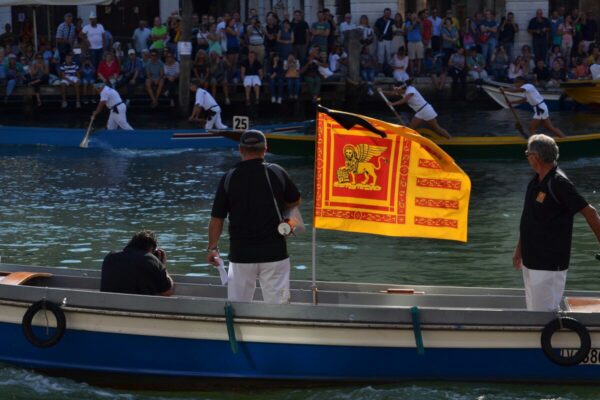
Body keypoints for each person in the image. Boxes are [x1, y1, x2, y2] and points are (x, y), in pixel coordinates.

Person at [206, 130, 301, 304]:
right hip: (275, 253)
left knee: (238, 308)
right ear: (265, 149)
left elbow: (217, 218)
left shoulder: (229, 177)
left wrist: (212, 248)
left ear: (240, 149)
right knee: (279, 309)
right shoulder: (277, 172)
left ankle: (240, 332)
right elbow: (295, 201)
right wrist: (288, 220)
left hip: (241, 255)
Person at [513, 134, 600, 311]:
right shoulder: (535, 182)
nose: (527, 157)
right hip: (531, 260)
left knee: (543, 315)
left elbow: (590, 212)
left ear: (535, 157)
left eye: (527, 153)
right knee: (534, 312)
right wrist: (519, 251)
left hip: (549, 263)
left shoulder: (559, 183)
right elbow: (529, 220)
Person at [101, 230, 174, 296]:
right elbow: (167, 292)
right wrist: (162, 265)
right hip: (140, 308)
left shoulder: (110, 257)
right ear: (151, 248)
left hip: (104, 306)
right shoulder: (151, 260)